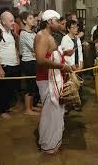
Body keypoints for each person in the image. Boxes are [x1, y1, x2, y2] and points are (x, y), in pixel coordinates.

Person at [34, 10, 72, 155]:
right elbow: (41, 60)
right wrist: (63, 66)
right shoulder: (42, 36)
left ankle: (53, 141)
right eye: (57, 21)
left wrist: (64, 53)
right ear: (49, 22)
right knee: (50, 113)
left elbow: (51, 54)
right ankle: (48, 145)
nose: (59, 24)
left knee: (56, 112)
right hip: (46, 79)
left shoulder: (49, 36)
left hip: (53, 77)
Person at [0, 11, 21, 119]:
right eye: (11, 21)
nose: (13, 23)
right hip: (4, 65)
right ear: (3, 21)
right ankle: (1, 110)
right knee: (2, 89)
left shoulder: (10, 32)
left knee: (10, 88)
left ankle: (7, 107)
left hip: (13, 65)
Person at [19, 11, 40, 116]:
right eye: (30, 18)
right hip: (28, 62)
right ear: (24, 21)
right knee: (29, 85)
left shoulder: (33, 32)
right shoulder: (24, 33)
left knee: (33, 85)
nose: (33, 20)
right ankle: (27, 109)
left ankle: (31, 106)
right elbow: (35, 47)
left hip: (34, 60)